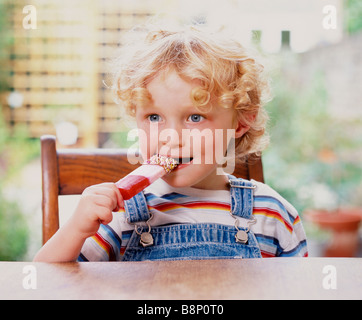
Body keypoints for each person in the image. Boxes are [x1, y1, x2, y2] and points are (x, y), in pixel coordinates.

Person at [34, 23, 308, 262]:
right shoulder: (121, 214)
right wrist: (76, 229)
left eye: (195, 117)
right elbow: (44, 284)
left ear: (240, 123)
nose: (171, 136)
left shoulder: (272, 214)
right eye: (154, 116)